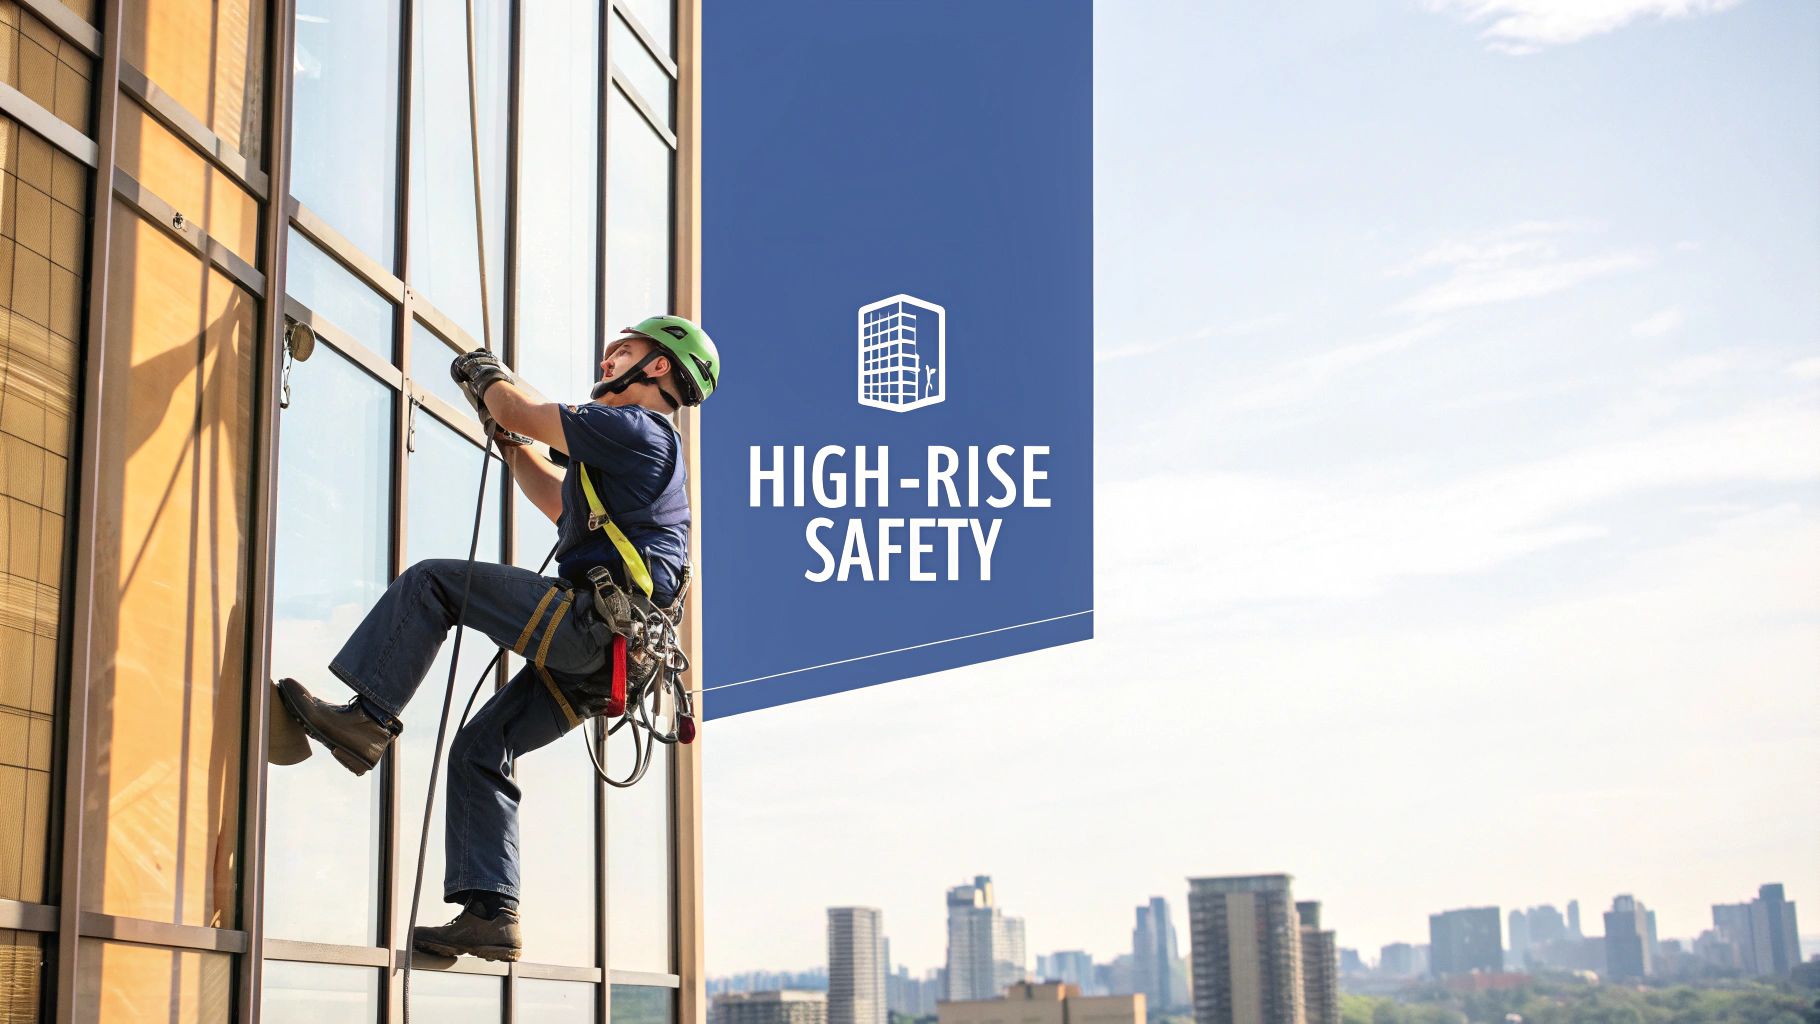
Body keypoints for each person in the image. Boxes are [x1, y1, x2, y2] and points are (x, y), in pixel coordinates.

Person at [275, 315, 719, 962]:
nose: (606, 360)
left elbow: (522, 408)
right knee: (483, 747)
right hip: (610, 663)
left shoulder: (637, 428)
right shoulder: (633, 457)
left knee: (434, 584)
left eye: (623, 351)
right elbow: (558, 504)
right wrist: (510, 443)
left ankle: (367, 720)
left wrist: (488, 376)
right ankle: (491, 913)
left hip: (593, 628)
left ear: (657, 368)